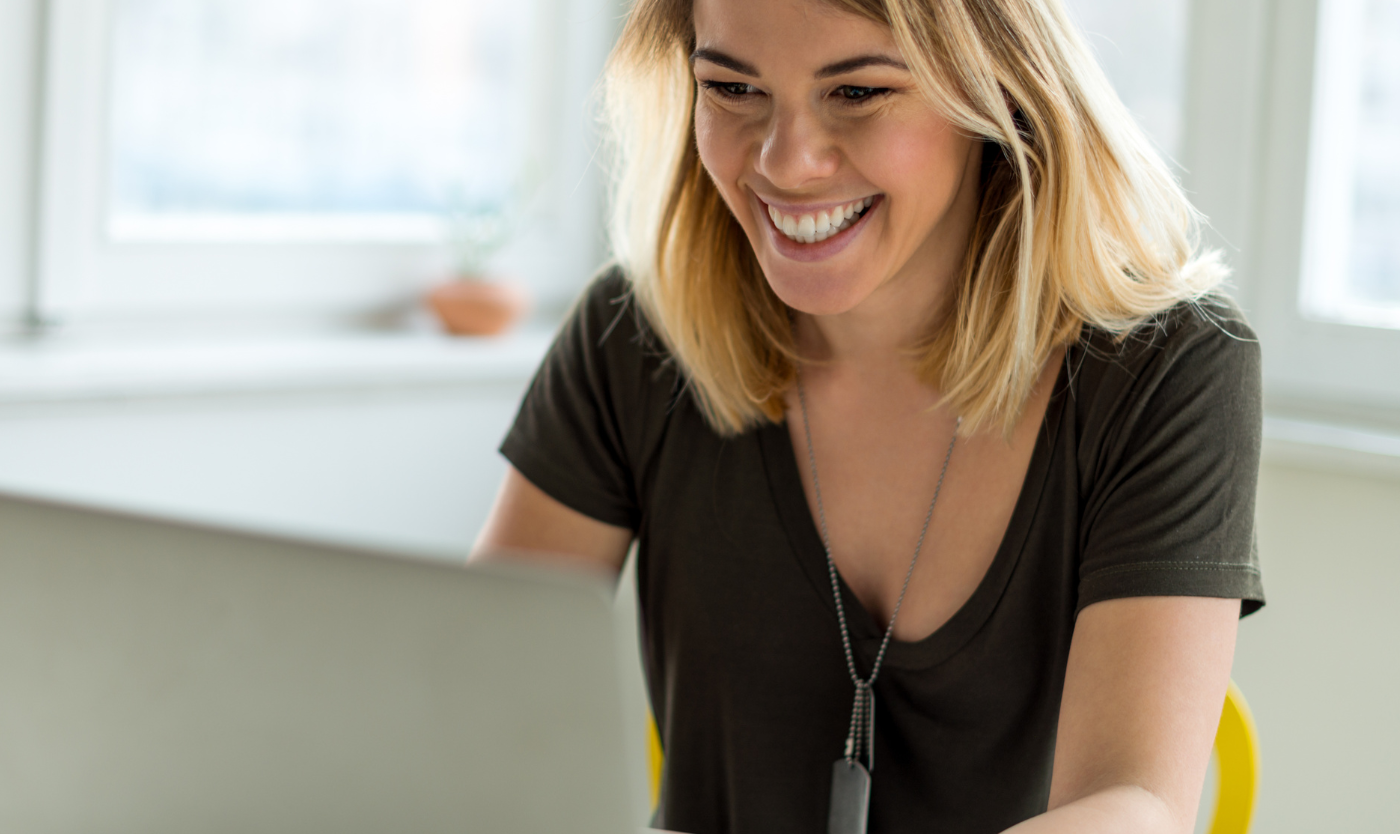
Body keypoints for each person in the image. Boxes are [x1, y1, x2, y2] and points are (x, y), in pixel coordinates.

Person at [472, 0, 1263, 832]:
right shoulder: (632, 338)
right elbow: (468, 695)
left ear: (995, 86)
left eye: (856, 94)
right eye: (732, 87)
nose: (786, 163)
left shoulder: (1170, 368)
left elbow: (1134, 803)